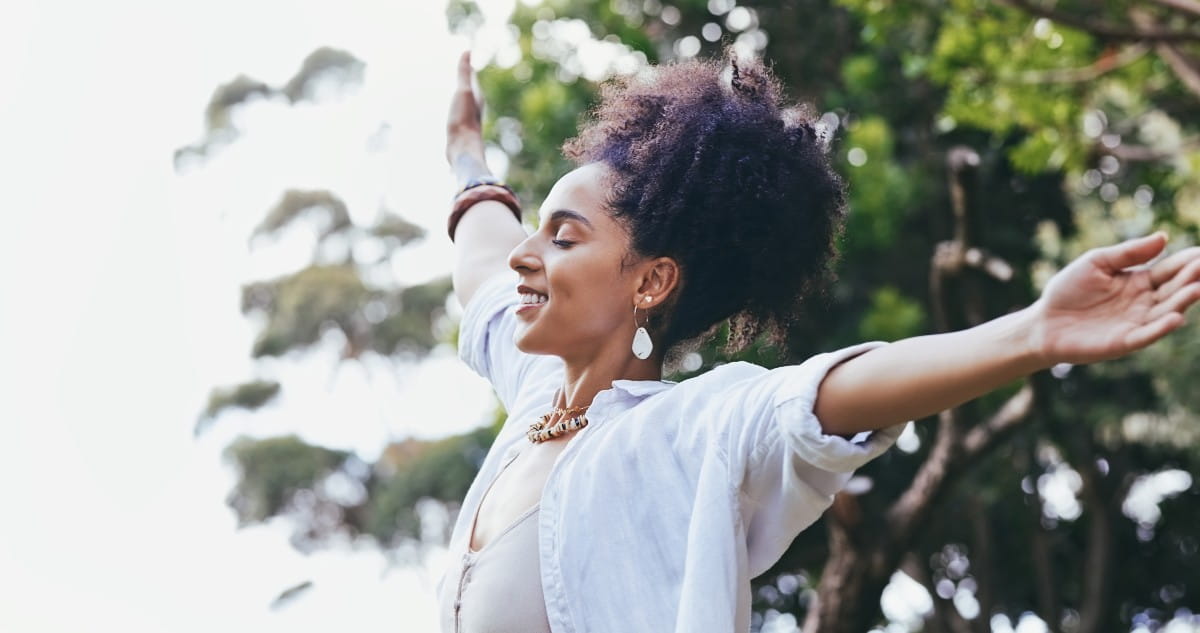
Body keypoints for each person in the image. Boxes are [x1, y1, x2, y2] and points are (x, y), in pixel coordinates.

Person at [436, 47, 1200, 633]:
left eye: (564, 238)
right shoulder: (536, 397)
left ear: (651, 282)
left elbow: (831, 392)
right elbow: (482, 259)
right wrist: (467, 154)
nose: (524, 256)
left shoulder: (690, 431)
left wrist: (1033, 332)